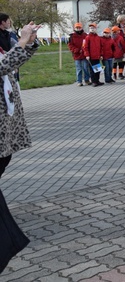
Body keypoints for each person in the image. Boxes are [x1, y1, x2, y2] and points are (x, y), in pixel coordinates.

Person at [0, 21, 40, 272]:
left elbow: (12, 61)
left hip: (7, 117)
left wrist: (30, 41)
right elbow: (3, 66)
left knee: (5, 159)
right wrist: (23, 41)